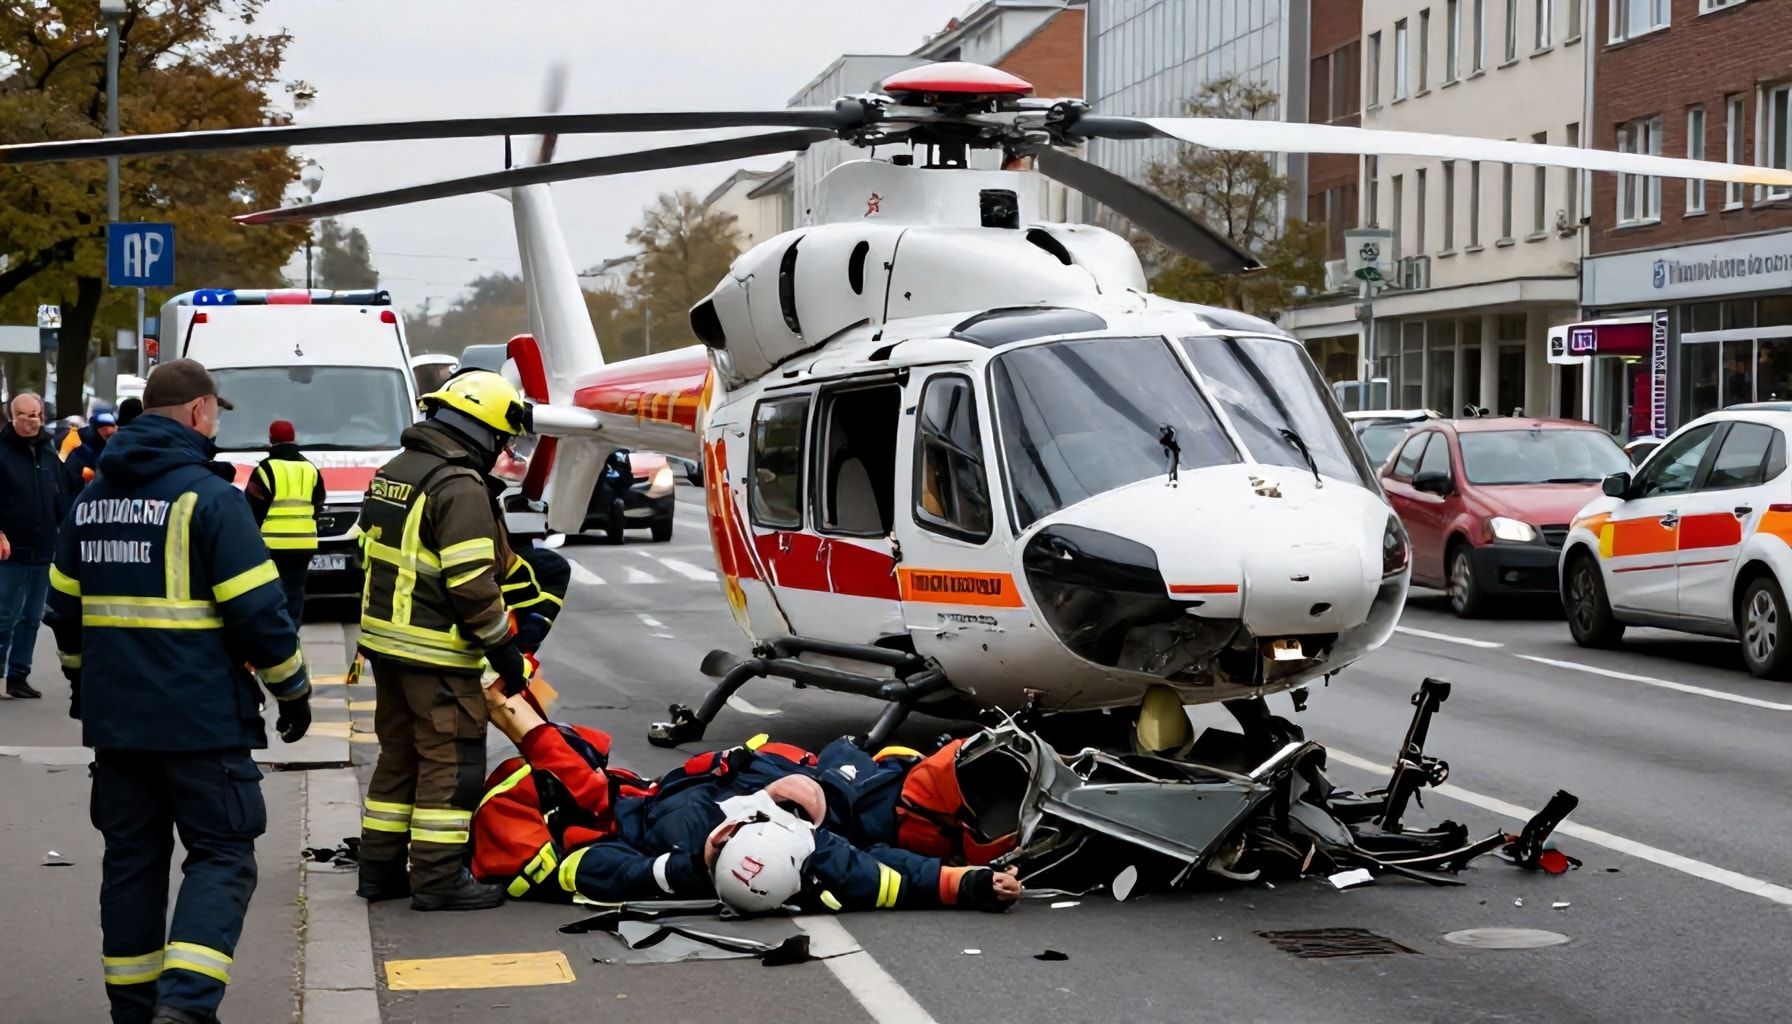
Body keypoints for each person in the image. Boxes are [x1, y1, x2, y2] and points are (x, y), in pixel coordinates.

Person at [42, 359, 312, 1024]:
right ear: (198, 412)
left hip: (117, 722)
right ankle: (186, 1008)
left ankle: (135, 1008)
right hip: (202, 721)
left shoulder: (92, 500)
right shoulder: (209, 498)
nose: (215, 422)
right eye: (215, 412)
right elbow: (260, 614)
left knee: (132, 862)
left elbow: (64, 609)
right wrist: (293, 692)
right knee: (222, 854)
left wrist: (81, 682)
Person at [475, 691, 1022, 915]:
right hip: (860, 797)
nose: (793, 812)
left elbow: (567, 774)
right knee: (892, 794)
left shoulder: (662, 837)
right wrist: (967, 884)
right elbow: (878, 874)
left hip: (722, 795)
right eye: (793, 819)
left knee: (870, 782)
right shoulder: (806, 854)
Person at [354, 369, 533, 912]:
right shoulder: (458, 485)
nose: (501, 451)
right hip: (435, 652)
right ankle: (437, 877)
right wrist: (504, 650)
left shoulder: (396, 470)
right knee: (450, 761)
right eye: (501, 439)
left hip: (386, 646)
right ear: (482, 430)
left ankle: (379, 869)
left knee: (399, 757)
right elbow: (472, 584)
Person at [0, 391, 75, 699]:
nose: (33, 421)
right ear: (12, 417)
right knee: (5, 617)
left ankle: (19, 675)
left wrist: (67, 532)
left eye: (37, 415)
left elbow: (61, 494)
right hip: (10, 550)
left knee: (32, 618)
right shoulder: (3, 453)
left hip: (43, 548)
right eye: (26, 415)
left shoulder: (48, 452)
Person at [243, 420, 325, 629]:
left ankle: (276, 634)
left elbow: (253, 507)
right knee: (295, 590)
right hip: (304, 544)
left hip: (272, 543)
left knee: (271, 591)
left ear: (271, 439)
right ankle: (292, 633)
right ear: (293, 438)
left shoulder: (264, 470)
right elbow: (319, 503)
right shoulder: (310, 468)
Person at [66, 410, 119, 493]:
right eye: (104, 428)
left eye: (112, 427)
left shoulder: (116, 444)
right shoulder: (80, 449)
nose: (109, 431)